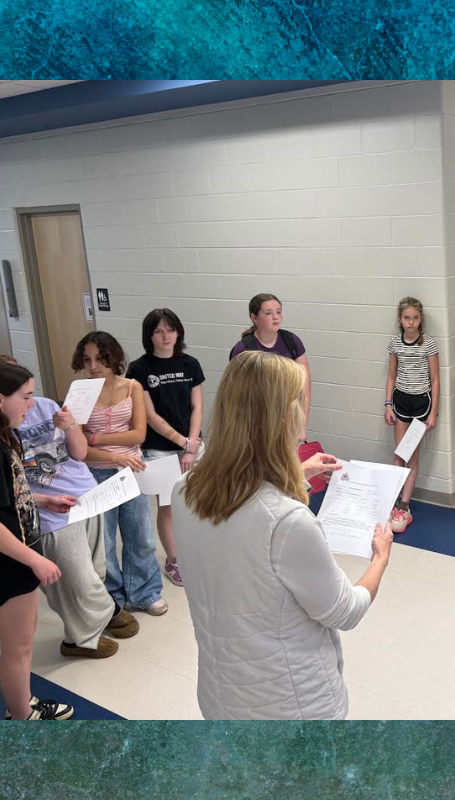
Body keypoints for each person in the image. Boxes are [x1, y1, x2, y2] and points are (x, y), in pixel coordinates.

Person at [172, 352, 393, 720]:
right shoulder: (289, 522)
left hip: (221, 695)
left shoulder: (185, 490)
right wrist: (380, 559)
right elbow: (345, 610)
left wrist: (298, 475)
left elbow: (244, 518)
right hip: (292, 705)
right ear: (285, 417)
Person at [0, 355, 139, 660]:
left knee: (94, 570)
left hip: (83, 497)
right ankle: (82, 638)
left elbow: (79, 452)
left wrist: (71, 424)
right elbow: (15, 489)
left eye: (30, 394)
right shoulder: (6, 429)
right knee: (74, 578)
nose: (29, 403)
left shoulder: (47, 406)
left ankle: (104, 613)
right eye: (23, 396)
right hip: (49, 515)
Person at [0, 362, 75, 720]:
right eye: (25, 397)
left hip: (13, 553)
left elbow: (10, 495)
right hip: (9, 559)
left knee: (17, 643)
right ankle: (21, 716)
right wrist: (35, 560)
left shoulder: (5, 438)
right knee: (18, 647)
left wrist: (43, 501)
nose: (32, 406)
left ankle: (21, 703)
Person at [74, 332, 167, 616]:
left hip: (132, 470)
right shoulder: (80, 391)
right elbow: (78, 450)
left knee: (141, 535)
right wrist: (111, 452)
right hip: (97, 472)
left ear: (113, 358)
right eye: (87, 360)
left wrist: (93, 437)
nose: (94, 366)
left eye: (100, 359)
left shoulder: (132, 387)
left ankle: (144, 592)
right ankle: (112, 597)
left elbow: (138, 433)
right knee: (105, 542)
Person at [127, 309, 205, 587]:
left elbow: (197, 407)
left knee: (195, 503)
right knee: (169, 505)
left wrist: (191, 446)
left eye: (170, 330)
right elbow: (149, 416)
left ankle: (194, 552)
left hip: (192, 445)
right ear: (150, 336)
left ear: (178, 332)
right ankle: (174, 559)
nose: (166, 336)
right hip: (159, 449)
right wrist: (183, 443)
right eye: (159, 331)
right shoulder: (139, 368)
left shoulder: (190, 364)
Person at [384, 297, 440, 533]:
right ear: (400, 319)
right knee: (398, 456)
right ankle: (393, 502)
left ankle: (405, 507)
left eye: (415, 318)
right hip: (400, 402)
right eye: (407, 318)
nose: (411, 322)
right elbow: (391, 376)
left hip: (421, 405)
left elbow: (436, 380)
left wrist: (433, 413)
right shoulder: (395, 343)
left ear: (421, 319)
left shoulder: (428, 344)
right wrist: (388, 404)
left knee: (412, 457)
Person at [229, 293, 311, 437]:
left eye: (279, 312)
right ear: (255, 318)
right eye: (268, 313)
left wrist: (301, 424)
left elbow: (305, 387)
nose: (276, 317)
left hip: (288, 418)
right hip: (256, 422)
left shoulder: (291, 341)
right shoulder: (243, 349)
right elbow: (237, 395)